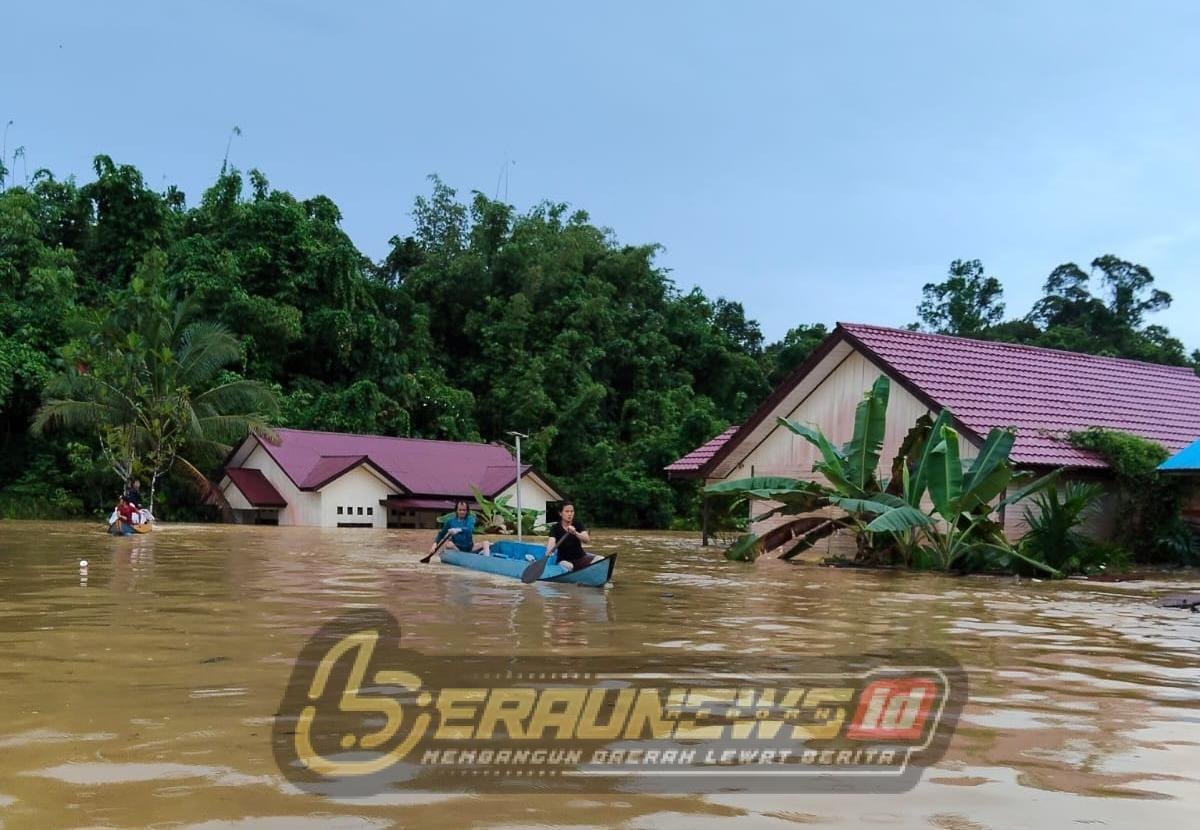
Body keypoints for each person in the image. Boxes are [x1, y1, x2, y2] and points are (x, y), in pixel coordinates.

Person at [545, 501, 592, 571]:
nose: (570, 514)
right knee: (569, 566)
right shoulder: (555, 527)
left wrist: (575, 532)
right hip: (564, 560)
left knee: (601, 559)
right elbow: (551, 542)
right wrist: (549, 551)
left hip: (580, 558)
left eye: (572, 511)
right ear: (560, 513)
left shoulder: (577, 523)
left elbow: (587, 540)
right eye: (567, 511)